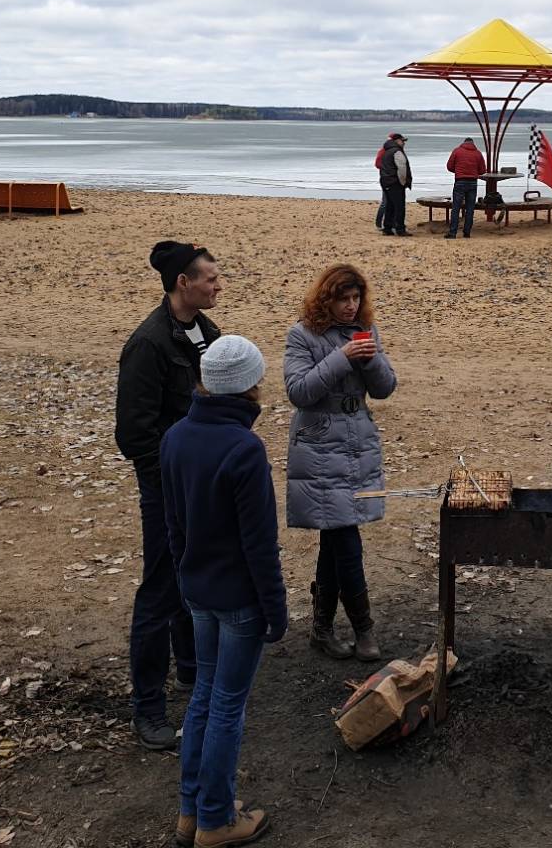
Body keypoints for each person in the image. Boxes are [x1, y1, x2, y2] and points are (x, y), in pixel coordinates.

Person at [161, 334, 285, 848]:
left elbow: (174, 526)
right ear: (250, 385)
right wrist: (275, 608)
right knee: (227, 706)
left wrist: (185, 576)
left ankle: (191, 812)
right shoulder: (243, 449)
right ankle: (215, 820)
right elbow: (260, 543)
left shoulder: (175, 437)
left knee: (204, 697)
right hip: (237, 599)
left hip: (197, 590)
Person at [115, 240, 222, 751]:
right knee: (159, 589)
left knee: (192, 576)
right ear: (184, 282)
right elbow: (133, 436)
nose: (218, 286)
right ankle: (148, 708)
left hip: (203, 481)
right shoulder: (149, 343)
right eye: (210, 278)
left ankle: (192, 669)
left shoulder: (208, 332)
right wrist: (173, 473)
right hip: (166, 487)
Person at [283, 264, 397, 661]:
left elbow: (385, 388)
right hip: (319, 444)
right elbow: (298, 392)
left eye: (355, 298)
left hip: (357, 440)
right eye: (343, 299)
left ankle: (322, 628)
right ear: (325, 299)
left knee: (335, 536)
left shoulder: (366, 330)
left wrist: (370, 359)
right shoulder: (302, 334)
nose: (350, 306)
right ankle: (364, 629)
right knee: (345, 536)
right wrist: (342, 357)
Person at [444, 136, 486, 239]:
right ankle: (467, 232)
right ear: (473, 144)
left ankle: (453, 232)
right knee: (470, 208)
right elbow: (482, 170)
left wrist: (458, 171)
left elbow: (449, 166)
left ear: (464, 143)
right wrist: (474, 172)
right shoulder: (478, 153)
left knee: (456, 208)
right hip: (473, 183)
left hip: (460, 181)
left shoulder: (457, 151)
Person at [377, 133, 411, 236]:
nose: (404, 143)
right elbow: (402, 169)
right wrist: (403, 182)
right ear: (396, 141)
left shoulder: (386, 151)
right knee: (399, 207)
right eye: (402, 141)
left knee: (390, 206)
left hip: (385, 181)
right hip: (395, 183)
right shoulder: (397, 151)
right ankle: (400, 229)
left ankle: (387, 228)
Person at [373, 133, 398, 229]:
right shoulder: (383, 151)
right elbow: (378, 164)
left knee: (392, 202)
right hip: (387, 178)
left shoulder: (395, 150)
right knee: (385, 202)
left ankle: (391, 223)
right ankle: (379, 223)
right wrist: (389, 168)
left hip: (392, 178)